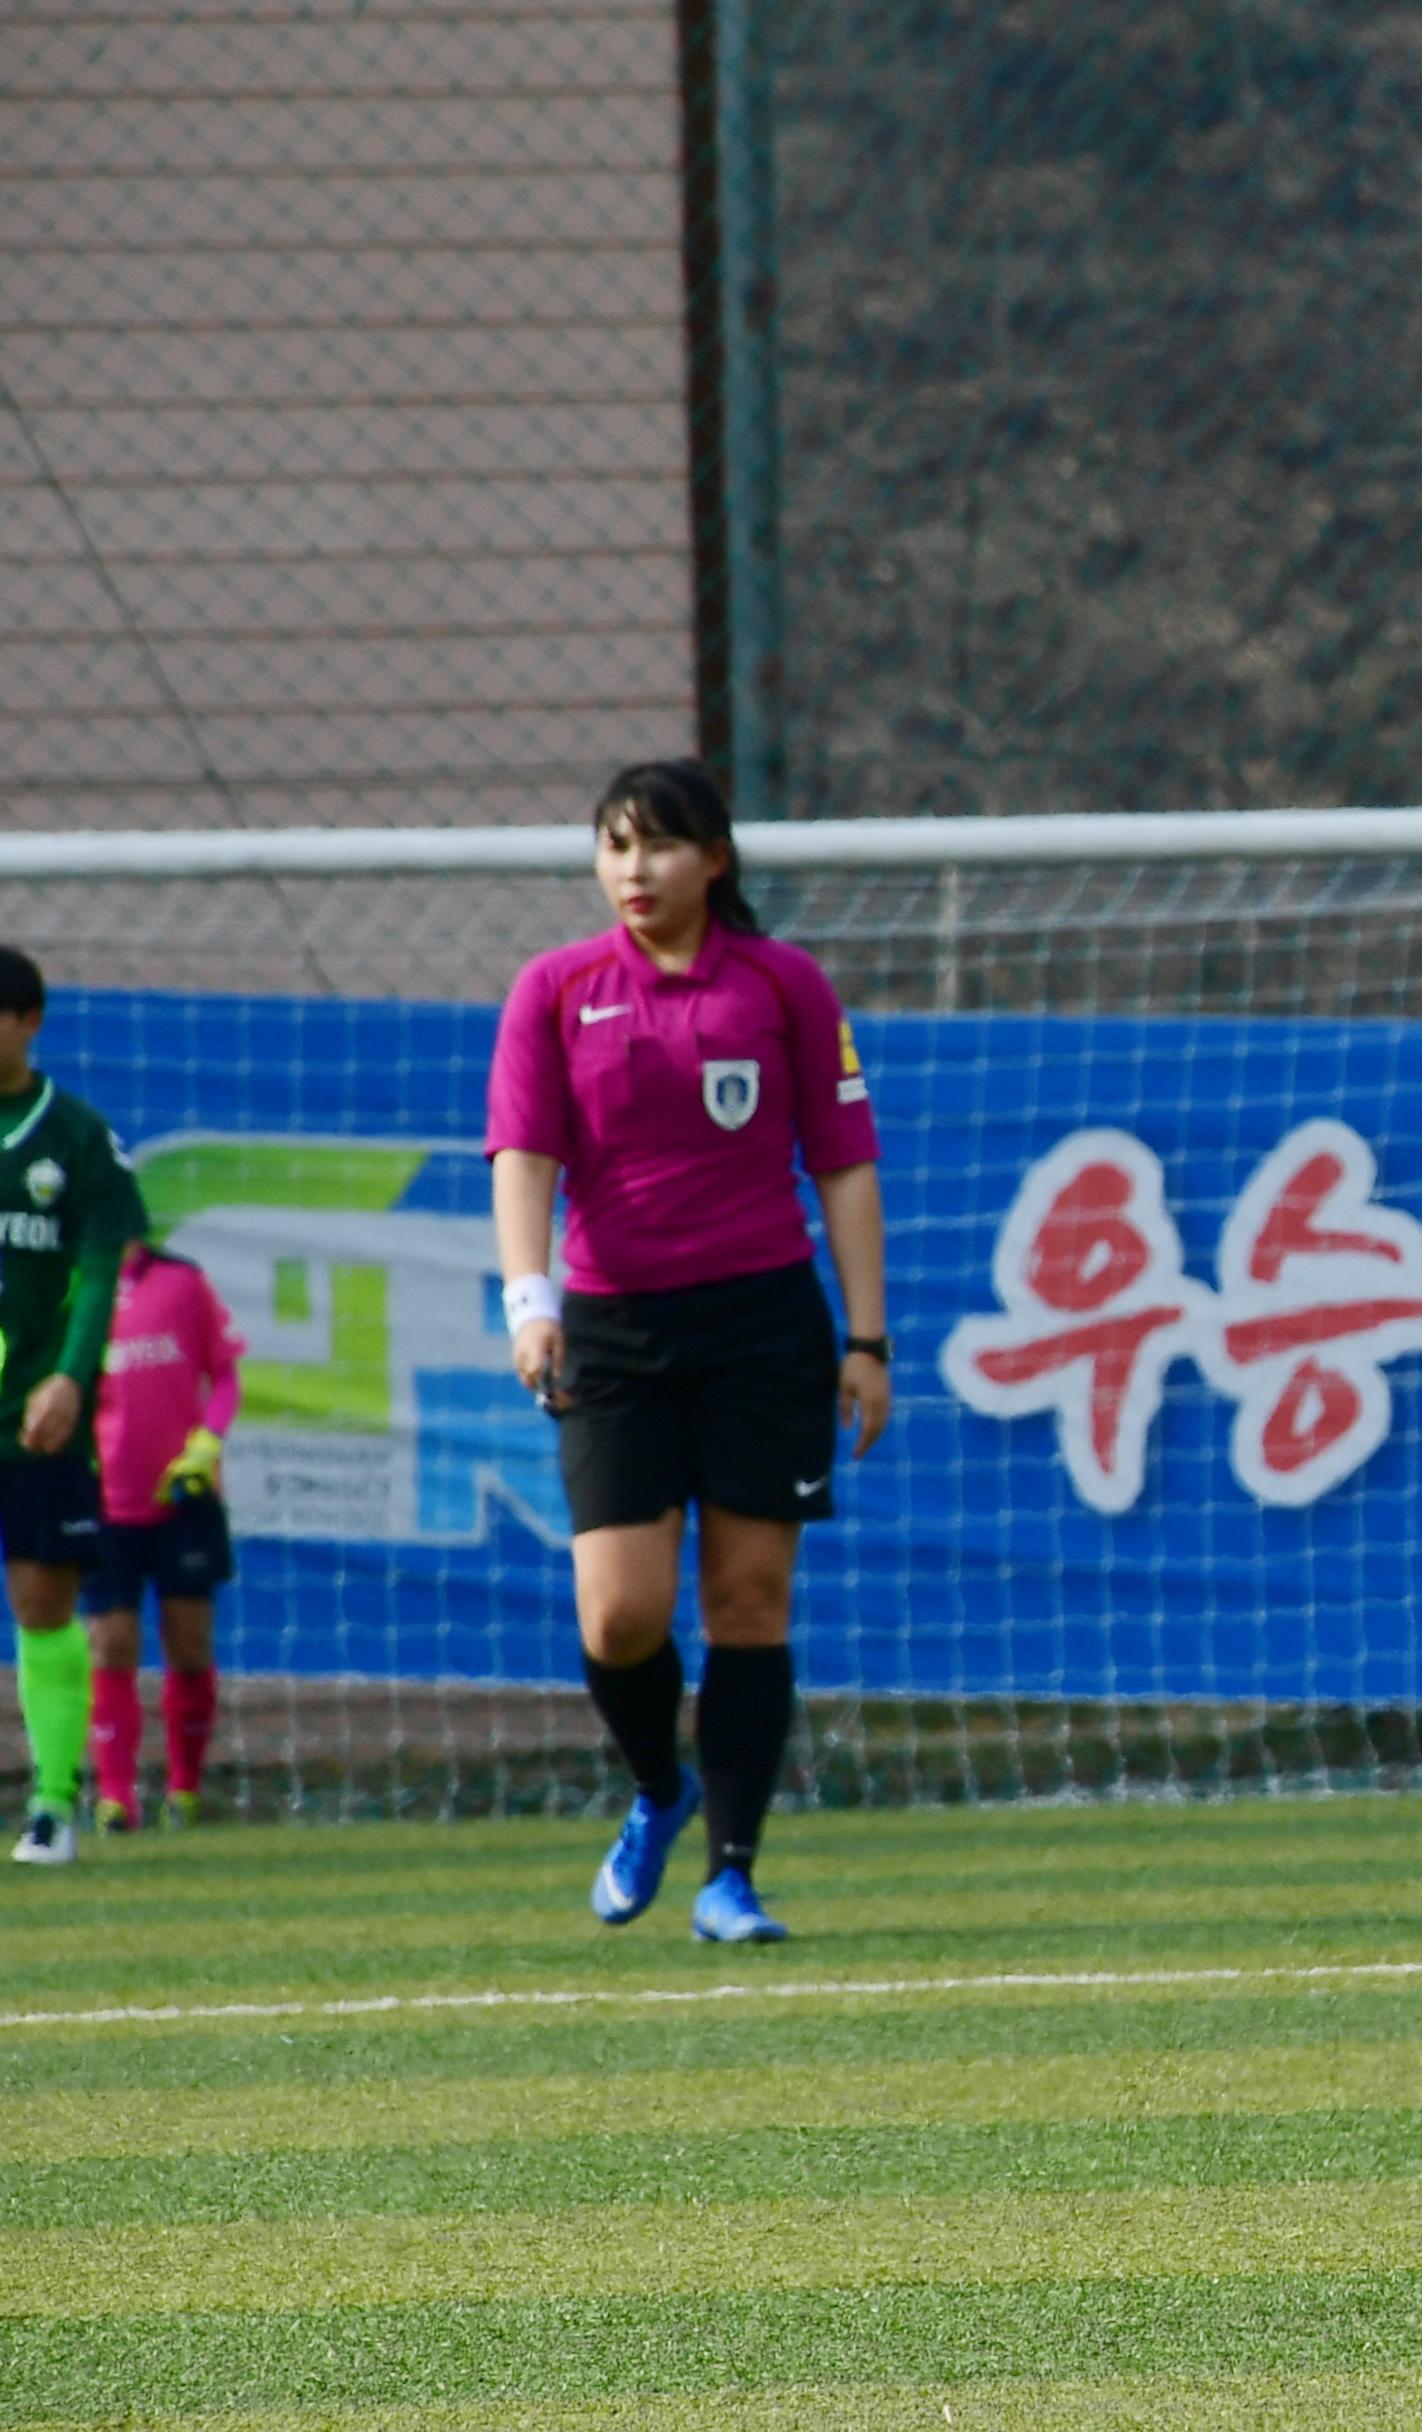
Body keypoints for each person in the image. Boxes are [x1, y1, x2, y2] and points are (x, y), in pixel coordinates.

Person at [487, 759, 890, 1944]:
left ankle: (733, 1876)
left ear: (714, 858)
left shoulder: (786, 985)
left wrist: (866, 1336)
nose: (633, 870)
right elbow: (523, 1153)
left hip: (765, 1323)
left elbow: (845, 1164)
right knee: (620, 1616)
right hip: (615, 1329)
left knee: (749, 1599)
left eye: (658, 846)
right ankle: (660, 1789)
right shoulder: (555, 988)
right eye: (613, 846)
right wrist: (531, 1300)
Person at [0, 946, 148, 1866]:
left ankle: (53, 1801)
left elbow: (104, 1265)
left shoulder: (76, 1137)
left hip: (34, 1413)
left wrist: (71, 1375)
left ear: (28, 1022)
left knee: (43, 1600)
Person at [81, 1237, 244, 1831]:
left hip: (183, 1499)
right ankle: (117, 1796)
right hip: (104, 1504)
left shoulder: (181, 1281)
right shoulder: (73, 1286)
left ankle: (185, 1789)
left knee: (190, 1645)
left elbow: (225, 1377)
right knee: (111, 1643)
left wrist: (205, 1445)